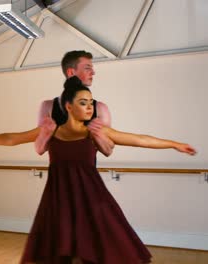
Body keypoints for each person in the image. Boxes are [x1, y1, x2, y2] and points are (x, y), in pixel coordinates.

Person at [20, 76, 196, 264]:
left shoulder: (97, 131)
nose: (90, 107)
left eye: (90, 103)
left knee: (102, 238)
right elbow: (11, 138)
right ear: (68, 106)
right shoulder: (51, 131)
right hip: (58, 197)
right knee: (61, 244)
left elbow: (140, 139)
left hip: (92, 194)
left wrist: (174, 144)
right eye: (83, 102)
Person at [0, 50, 115, 157]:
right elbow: (33, 146)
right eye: (87, 68)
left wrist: (98, 134)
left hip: (88, 178)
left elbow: (108, 151)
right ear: (71, 72)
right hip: (58, 180)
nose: (93, 72)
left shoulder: (100, 109)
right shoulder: (48, 107)